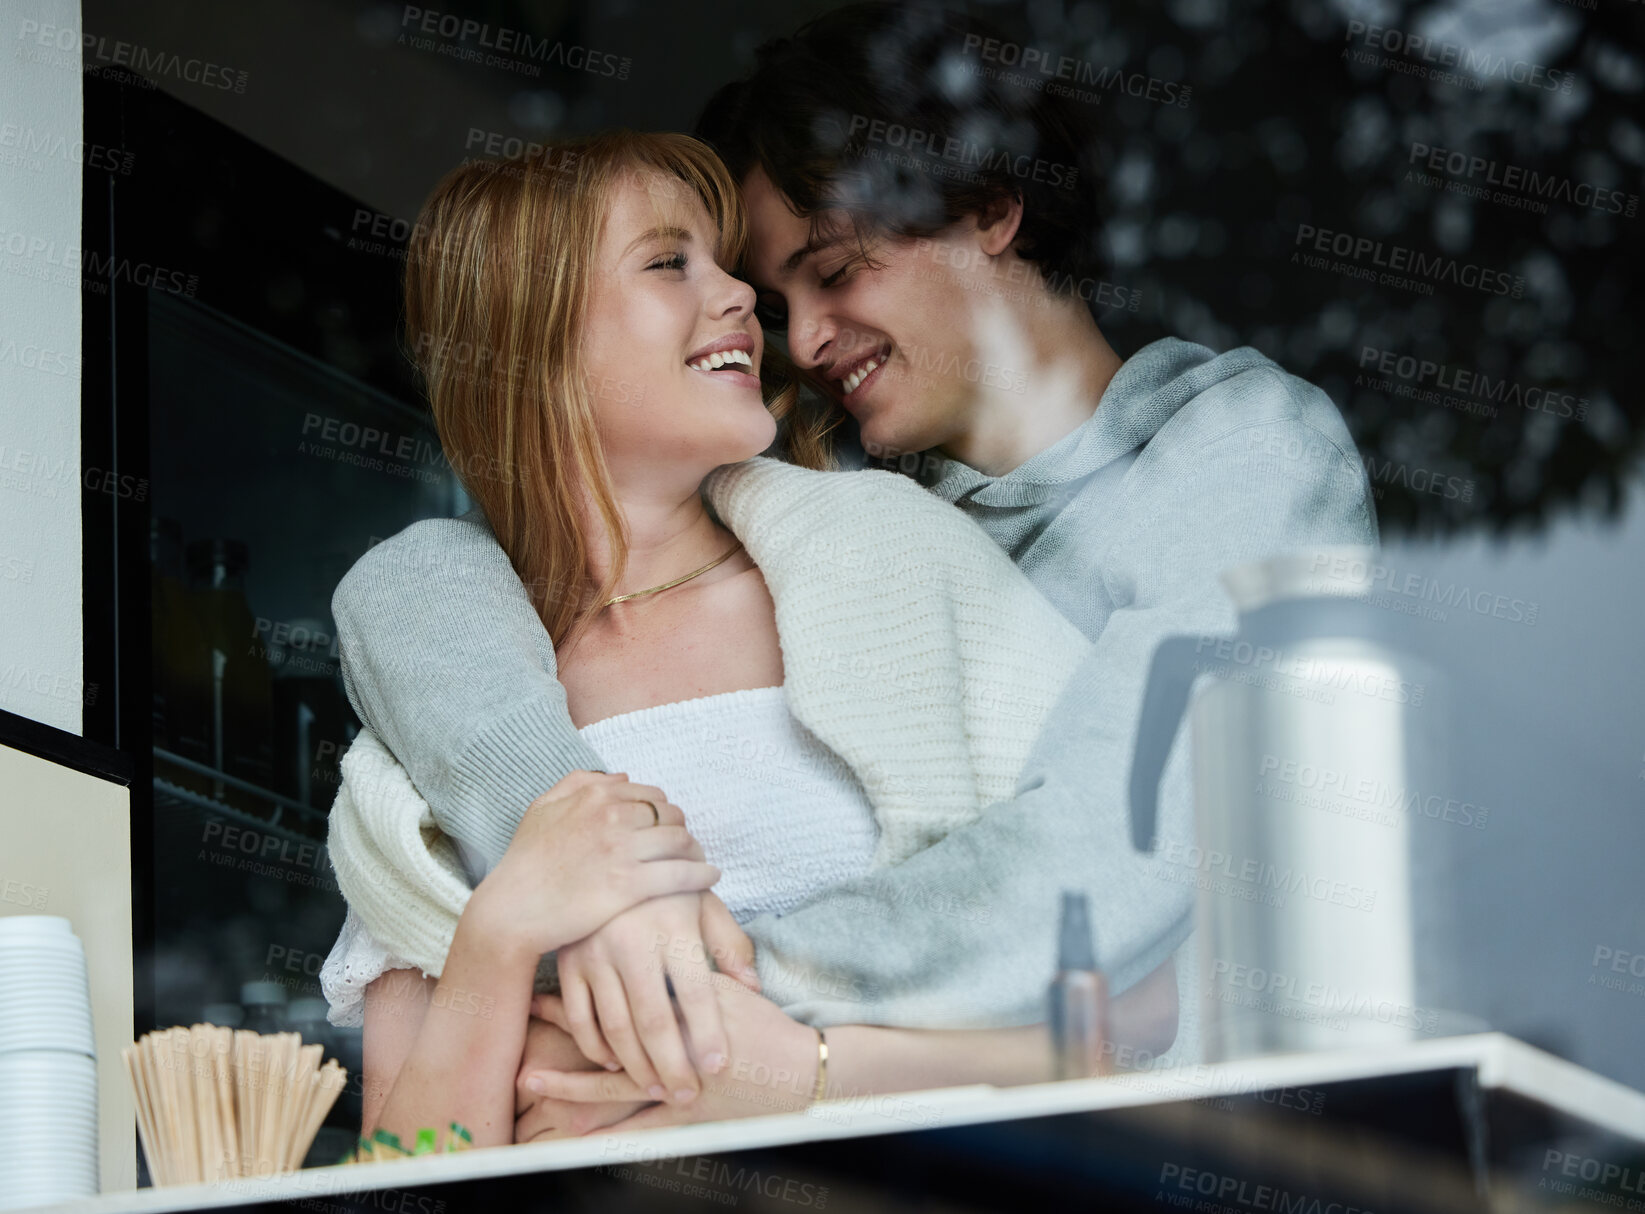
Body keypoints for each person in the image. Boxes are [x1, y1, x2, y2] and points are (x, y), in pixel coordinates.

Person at [330, 3, 1377, 1136]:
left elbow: (1107, 860)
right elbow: (426, 586)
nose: (804, 337)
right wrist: (567, 871)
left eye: (833, 271)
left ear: (988, 204)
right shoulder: (829, 521)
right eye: (781, 302)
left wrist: (692, 1001)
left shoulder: (1227, 452)